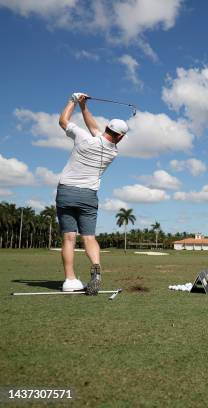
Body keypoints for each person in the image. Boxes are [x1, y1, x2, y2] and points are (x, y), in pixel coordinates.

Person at [57, 92, 128, 295]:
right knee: (88, 237)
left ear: (107, 128)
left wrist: (73, 101)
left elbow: (63, 121)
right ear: (120, 137)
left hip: (66, 192)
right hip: (88, 196)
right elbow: (95, 129)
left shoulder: (82, 138)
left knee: (69, 237)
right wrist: (84, 107)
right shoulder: (112, 151)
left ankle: (70, 280)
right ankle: (96, 267)